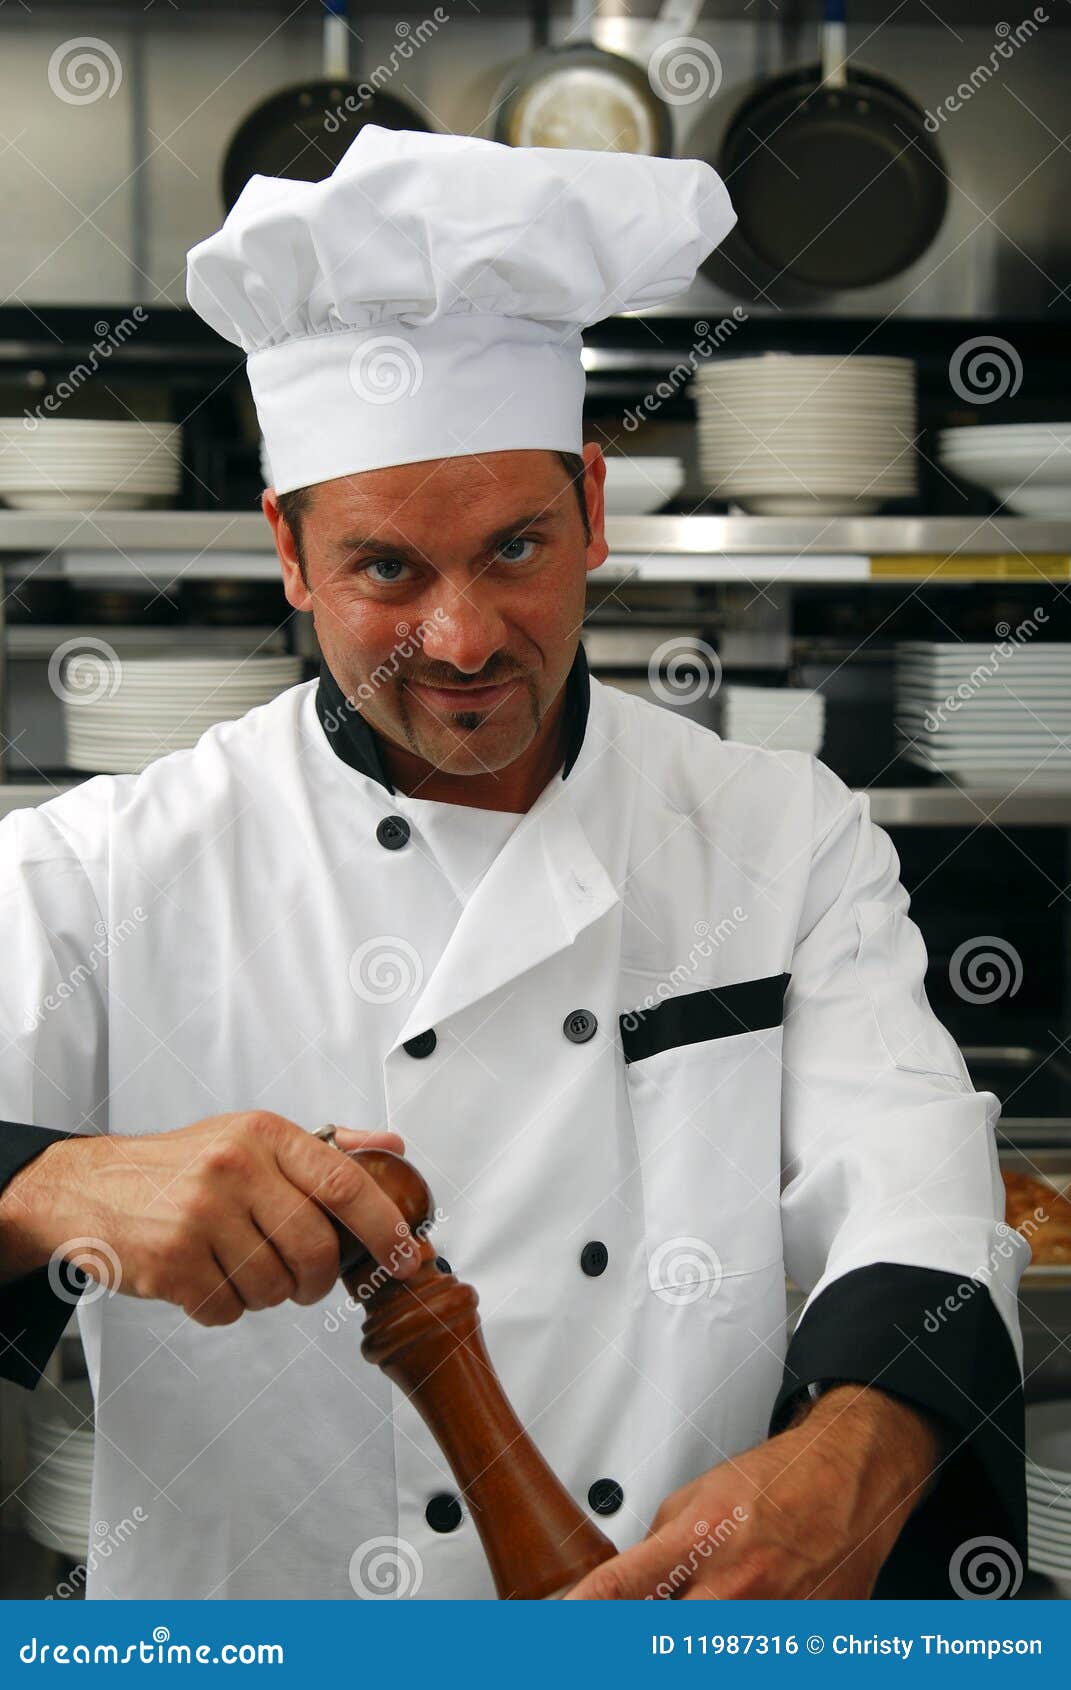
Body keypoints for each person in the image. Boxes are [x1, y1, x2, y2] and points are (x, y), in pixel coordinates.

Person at [0, 126, 1025, 1601]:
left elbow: (917, 1191)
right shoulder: (100, 869)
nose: (467, 637)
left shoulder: (777, 836)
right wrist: (56, 1186)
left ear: (597, 511)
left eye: (516, 547)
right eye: (387, 569)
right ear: (288, 553)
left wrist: (861, 1445)